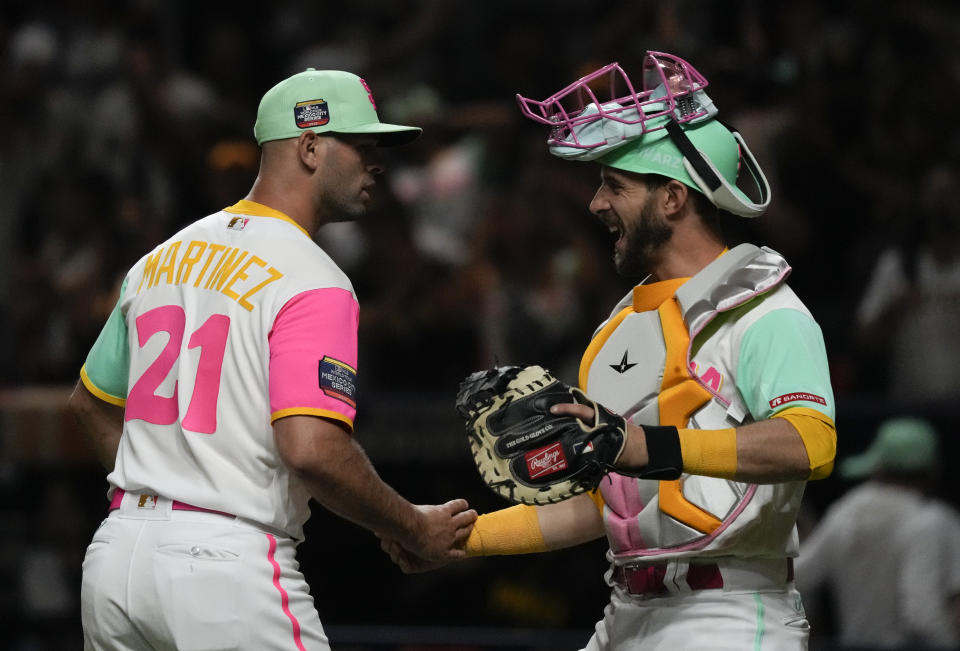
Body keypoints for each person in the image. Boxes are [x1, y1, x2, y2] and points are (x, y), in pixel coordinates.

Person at [385, 52, 837, 650]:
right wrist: (458, 539)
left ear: (672, 197)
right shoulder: (620, 325)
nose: (596, 203)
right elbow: (607, 505)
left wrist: (645, 445)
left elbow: (812, 442)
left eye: (614, 184)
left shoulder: (765, 311)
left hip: (729, 612)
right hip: (626, 610)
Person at [67, 67, 477, 651]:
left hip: (116, 558)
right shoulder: (313, 278)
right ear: (309, 147)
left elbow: (89, 403)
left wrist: (163, 488)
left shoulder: (160, 258)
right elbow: (311, 449)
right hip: (223, 570)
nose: (375, 162)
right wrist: (413, 527)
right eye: (359, 146)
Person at [797, 417, 960, 649]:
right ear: (933, 470)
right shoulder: (935, 520)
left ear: (879, 466)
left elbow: (796, 577)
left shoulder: (847, 511)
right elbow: (922, 615)